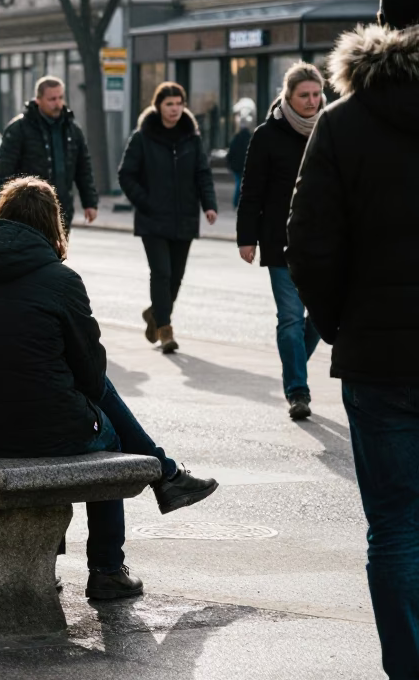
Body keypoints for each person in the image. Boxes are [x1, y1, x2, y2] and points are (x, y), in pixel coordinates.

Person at [0, 176, 218, 600]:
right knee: (108, 443)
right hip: (45, 430)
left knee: (75, 398)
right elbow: (90, 374)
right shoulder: (61, 280)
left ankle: (165, 476)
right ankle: (109, 566)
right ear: (53, 225)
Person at [287, 0, 419, 680]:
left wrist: (341, 325)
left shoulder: (342, 122)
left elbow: (308, 243)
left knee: (397, 527)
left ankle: (409, 675)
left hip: (379, 357)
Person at [236, 63, 326, 421]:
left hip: (327, 242)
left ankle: (293, 365)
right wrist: (246, 237)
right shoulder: (267, 135)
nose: (311, 101)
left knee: (320, 316)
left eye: (316, 94)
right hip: (280, 240)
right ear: (288, 96)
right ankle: (298, 391)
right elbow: (251, 190)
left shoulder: (332, 128)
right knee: (290, 318)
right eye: (304, 95)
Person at [118, 82, 217, 354]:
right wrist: (145, 201)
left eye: (179, 103)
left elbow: (202, 174)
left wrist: (209, 205)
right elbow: (126, 174)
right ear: (158, 106)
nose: (175, 109)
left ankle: (155, 313)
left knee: (176, 277)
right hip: (153, 219)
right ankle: (165, 329)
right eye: (169, 104)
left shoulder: (192, 138)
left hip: (185, 217)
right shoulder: (142, 137)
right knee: (161, 274)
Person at [0, 76, 99, 233]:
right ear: (38, 100)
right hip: (29, 208)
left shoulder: (71, 129)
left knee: (57, 255)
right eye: (52, 99)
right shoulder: (19, 129)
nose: (57, 103)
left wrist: (90, 203)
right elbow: (6, 171)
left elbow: (83, 168)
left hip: (61, 205)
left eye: (60, 98)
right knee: (32, 254)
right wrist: (10, 207)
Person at [226, 106, 253, 209]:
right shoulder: (250, 138)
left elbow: (231, 152)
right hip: (245, 165)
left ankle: (236, 202)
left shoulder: (236, 138)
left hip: (237, 166)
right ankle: (240, 202)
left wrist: (230, 163)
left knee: (239, 184)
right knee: (243, 185)